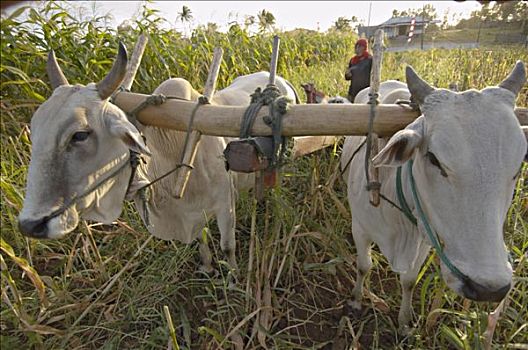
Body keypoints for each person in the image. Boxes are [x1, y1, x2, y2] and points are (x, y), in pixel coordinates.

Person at [345, 38, 372, 103]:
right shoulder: (353, 60)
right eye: (356, 46)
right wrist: (348, 74)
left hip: (365, 91)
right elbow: (348, 77)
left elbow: (373, 75)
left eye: (359, 46)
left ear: (364, 47)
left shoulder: (369, 59)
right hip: (353, 91)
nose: (357, 48)